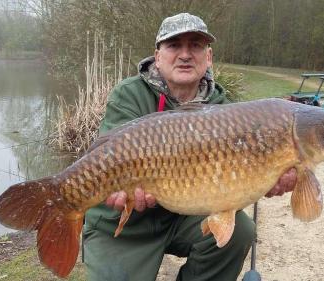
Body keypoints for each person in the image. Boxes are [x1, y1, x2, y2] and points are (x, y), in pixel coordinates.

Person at [82, 12, 297, 281]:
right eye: (174, 45)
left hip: (183, 217)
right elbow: (105, 162)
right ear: (157, 56)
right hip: (123, 226)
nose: (185, 54)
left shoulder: (224, 110)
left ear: (208, 57)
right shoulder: (129, 95)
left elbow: (228, 184)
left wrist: (267, 178)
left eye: (195, 45)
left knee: (240, 230)